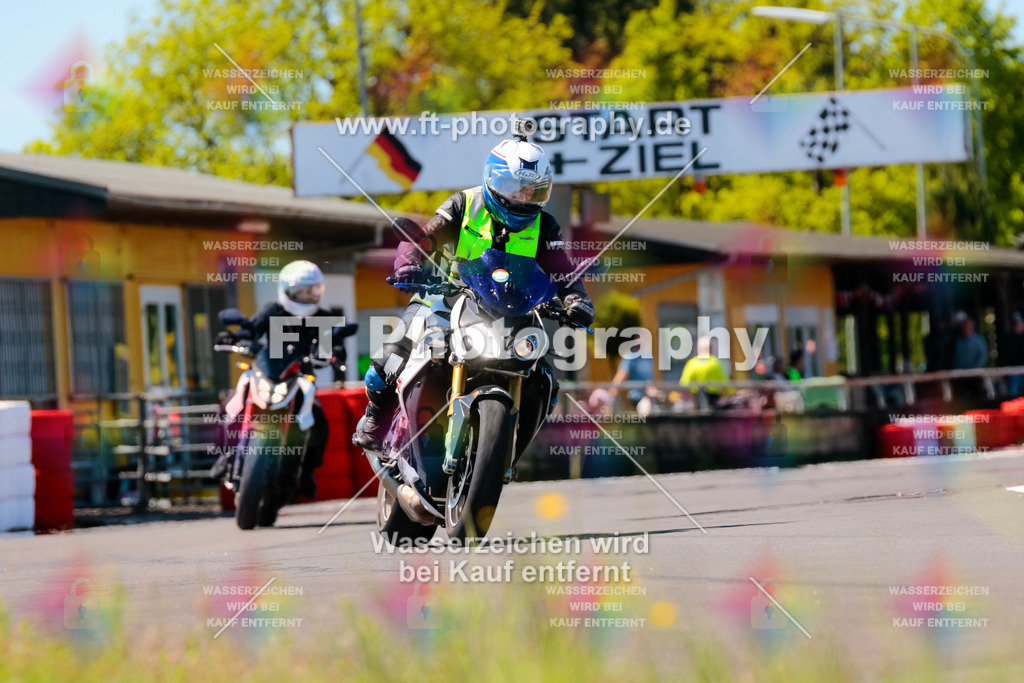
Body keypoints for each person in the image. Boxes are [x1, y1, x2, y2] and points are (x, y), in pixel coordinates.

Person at [353, 135, 595, 452]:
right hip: (445, 296)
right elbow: (426, 236)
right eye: (514, 187)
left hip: (512, 312)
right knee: (388, 361)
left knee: (544, 380)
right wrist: (410, 262)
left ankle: (506, 451)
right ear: (492, 178)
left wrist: (577, 299)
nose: (523, 197)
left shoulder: (545, 225)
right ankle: (376, 419)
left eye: (532, 190)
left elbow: (561, 269)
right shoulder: (464, 204)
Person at [214, 260, 354, 498]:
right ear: (286, 290)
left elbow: (333, 343)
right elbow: (252, 328)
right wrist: (235, 337)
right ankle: (225, 456)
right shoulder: (273, 310)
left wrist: (336, 352)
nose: (305, 296)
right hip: (268, 373)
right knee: (229, 405)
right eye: (300, 291)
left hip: (300, 379)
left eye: (311, 291)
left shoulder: (322, 317)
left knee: (319, 420)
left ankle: (307, 470)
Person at [679, 336, 731, 406]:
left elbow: (684, 383)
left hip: (697, 399)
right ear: (711, 348)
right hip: (713, 399)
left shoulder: (692, 363)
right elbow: (725, 383)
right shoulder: (715, 363)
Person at [1004, 313, 1024, 396]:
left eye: (1019, 323)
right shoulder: (1008, 338)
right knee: (1013, 396)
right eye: (1016, 324)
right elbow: (1006, 357)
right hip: (1013, 372)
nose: (1018, 325)